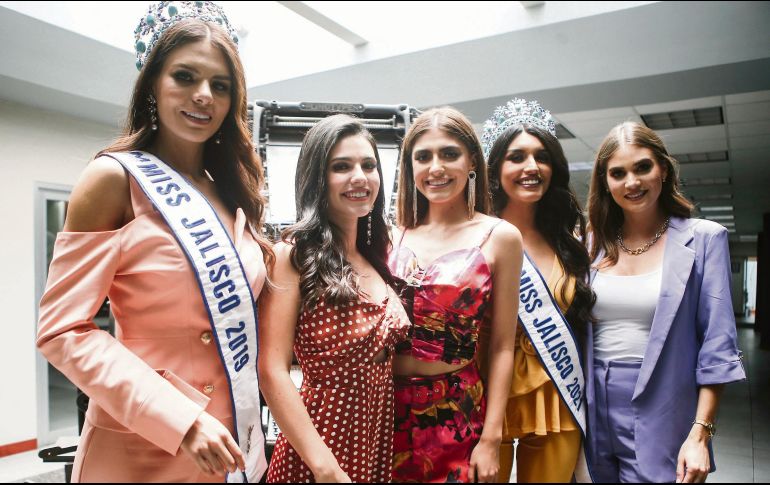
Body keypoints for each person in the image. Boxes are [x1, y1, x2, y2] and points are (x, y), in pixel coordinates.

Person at [36, 2, 272, 481]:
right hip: (142, 444)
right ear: (153, 86)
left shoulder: (230, 191)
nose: (203, 95)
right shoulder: (112, 180)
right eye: (184, 77)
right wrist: (180, 420)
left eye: (220, 85)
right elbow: (62, 330)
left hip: (227, 446)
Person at [585, 121, 745, 483]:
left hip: (664, 402)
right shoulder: (589, 246)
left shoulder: (703, 240)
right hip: (591, 404)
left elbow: (717, 348)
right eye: (618, 173)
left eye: (643, 167)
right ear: (605, 183)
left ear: (664, 170)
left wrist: (700, 433)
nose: (632, 182)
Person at [259, 114, 410, 483]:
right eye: (341, 166)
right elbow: (271, 371)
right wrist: (325, 468)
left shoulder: (375, 254)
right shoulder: (293, 255)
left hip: (375, 441)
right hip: (320, 450)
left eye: (368, 165)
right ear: (317, 179)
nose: (359, 177)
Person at [389, 107, 523, 483]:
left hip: (456, 414)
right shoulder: (390, 235)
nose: (436, 168)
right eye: (423, 156)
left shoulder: (501, 237)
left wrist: (491, 438)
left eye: (449, 154)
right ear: (409, 168)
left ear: (471, 163)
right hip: (384, 412)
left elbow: (500, 346)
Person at [481, 98, 594, 482]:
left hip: (556, 397)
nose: (531, 167)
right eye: (517, 157)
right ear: (495, 170)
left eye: (541, 156)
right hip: (483, 397)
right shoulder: (474, 236)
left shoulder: (569, 241)